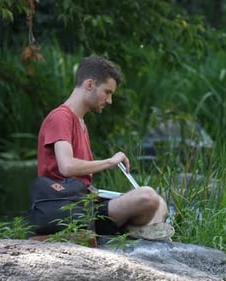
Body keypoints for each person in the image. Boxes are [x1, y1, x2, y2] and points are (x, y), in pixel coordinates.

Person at [31, 55, 174, 240]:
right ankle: (134, 231)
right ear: (90, 85)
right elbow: (66, 167)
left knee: (160, 202)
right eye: (107, 92)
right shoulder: (61, 117)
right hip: (69, 209)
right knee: (148, 197)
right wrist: (110, 162)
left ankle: (136, 231)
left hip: (88, 203)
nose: (109, 100)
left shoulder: (81, 122)